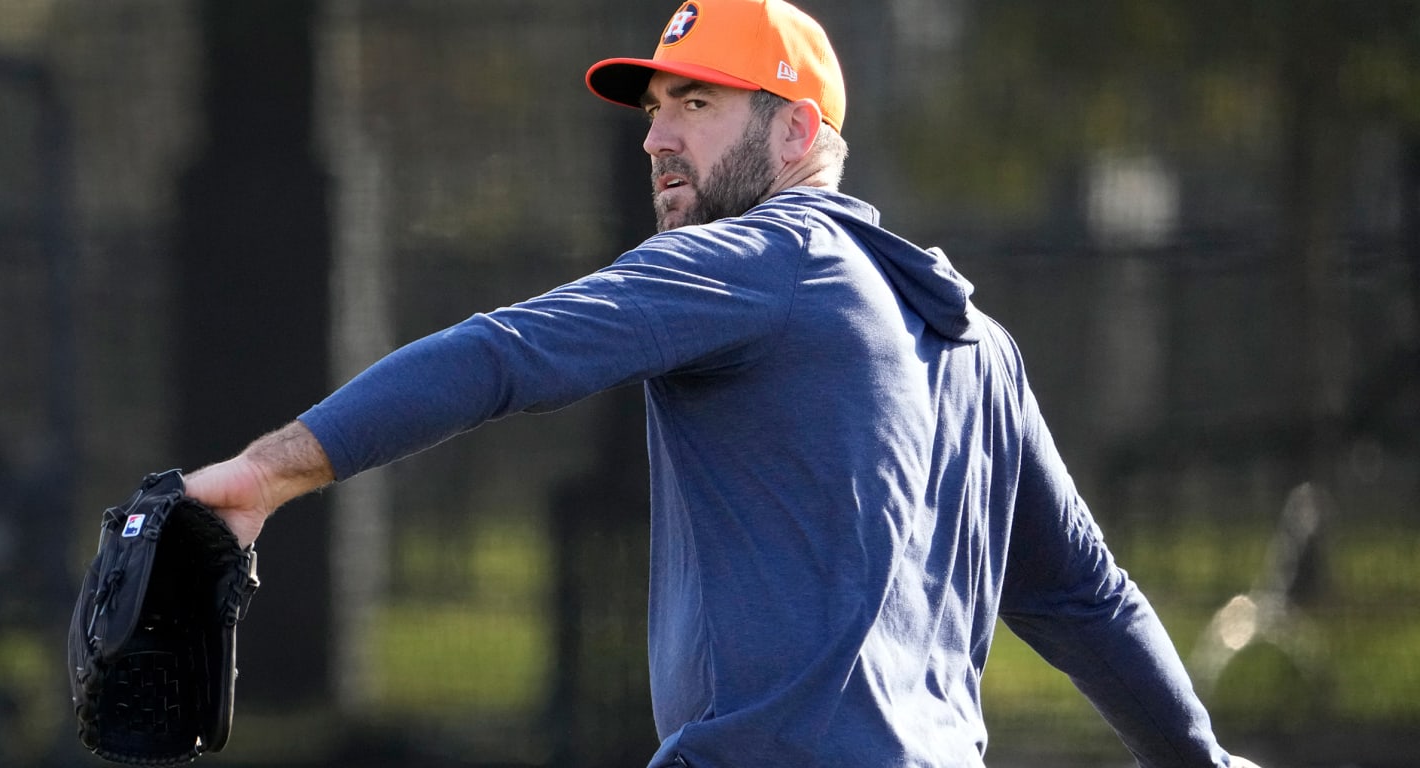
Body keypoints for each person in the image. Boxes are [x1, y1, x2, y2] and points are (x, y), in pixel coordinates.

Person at [183, 1, 1264, 765]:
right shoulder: (975, 340)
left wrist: (261, 476)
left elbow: (501, 355)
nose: (655, 137)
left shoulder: (758, 260)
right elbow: (1082, 595)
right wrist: (1201, 758)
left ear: (796, 133)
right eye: (655, 108)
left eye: (696, 104)